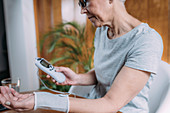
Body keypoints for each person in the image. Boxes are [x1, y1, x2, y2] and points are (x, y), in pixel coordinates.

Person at [0, 0, 163, 112]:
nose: (82, 10)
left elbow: (111, 104)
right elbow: (107, 73)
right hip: (92, 106)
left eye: (85, 1)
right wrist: (77, 78)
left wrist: (40, 100)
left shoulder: (146, 41)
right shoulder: (102, 30)